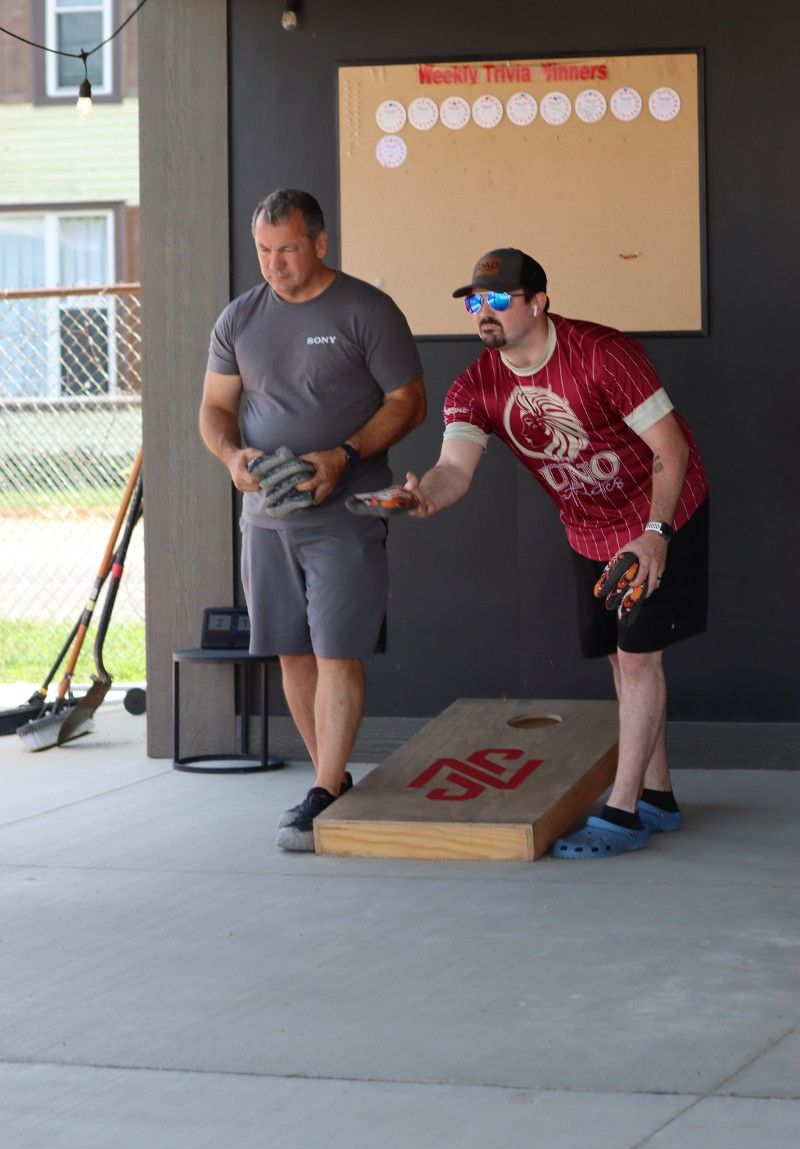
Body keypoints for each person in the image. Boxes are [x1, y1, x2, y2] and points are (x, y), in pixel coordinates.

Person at [403, 248, 709, 858]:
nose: (481, 312)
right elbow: (452, 469)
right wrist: (421, 499)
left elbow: (670, 450)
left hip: (660, 511)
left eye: (496, 300)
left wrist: (656, 533)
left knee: (639, 655)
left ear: (537, 303)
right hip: (588, 527)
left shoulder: (602, 354)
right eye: (473, 301)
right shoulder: (476, 385)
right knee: (622, 662)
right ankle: (660, 797)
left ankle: (622, 814)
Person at [199, 188, 426, 851]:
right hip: (266, 515)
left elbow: (409, 402)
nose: (275, 265)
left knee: (336, 648)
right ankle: (330, 780)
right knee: (292, 649)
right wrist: (232, 455)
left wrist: (344, 453)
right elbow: (214, 408)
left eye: (288, 250)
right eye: (265, 252)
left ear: (320, 243)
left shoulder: (366, 310)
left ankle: (324, 788)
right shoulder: (238, 319)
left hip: (347, 510)